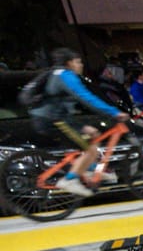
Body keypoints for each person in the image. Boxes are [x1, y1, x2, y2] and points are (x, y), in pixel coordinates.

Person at [26, 48, 126, 197]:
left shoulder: (57, 73)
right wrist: (114, 112)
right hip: (53, 120)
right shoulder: (66, 76)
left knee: (93, 134)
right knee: (90, 148)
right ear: (69, 63)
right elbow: (86, 97)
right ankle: (69, 180)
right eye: (78, 62)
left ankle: (90, 170)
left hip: (56, 118)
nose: (81, 65)